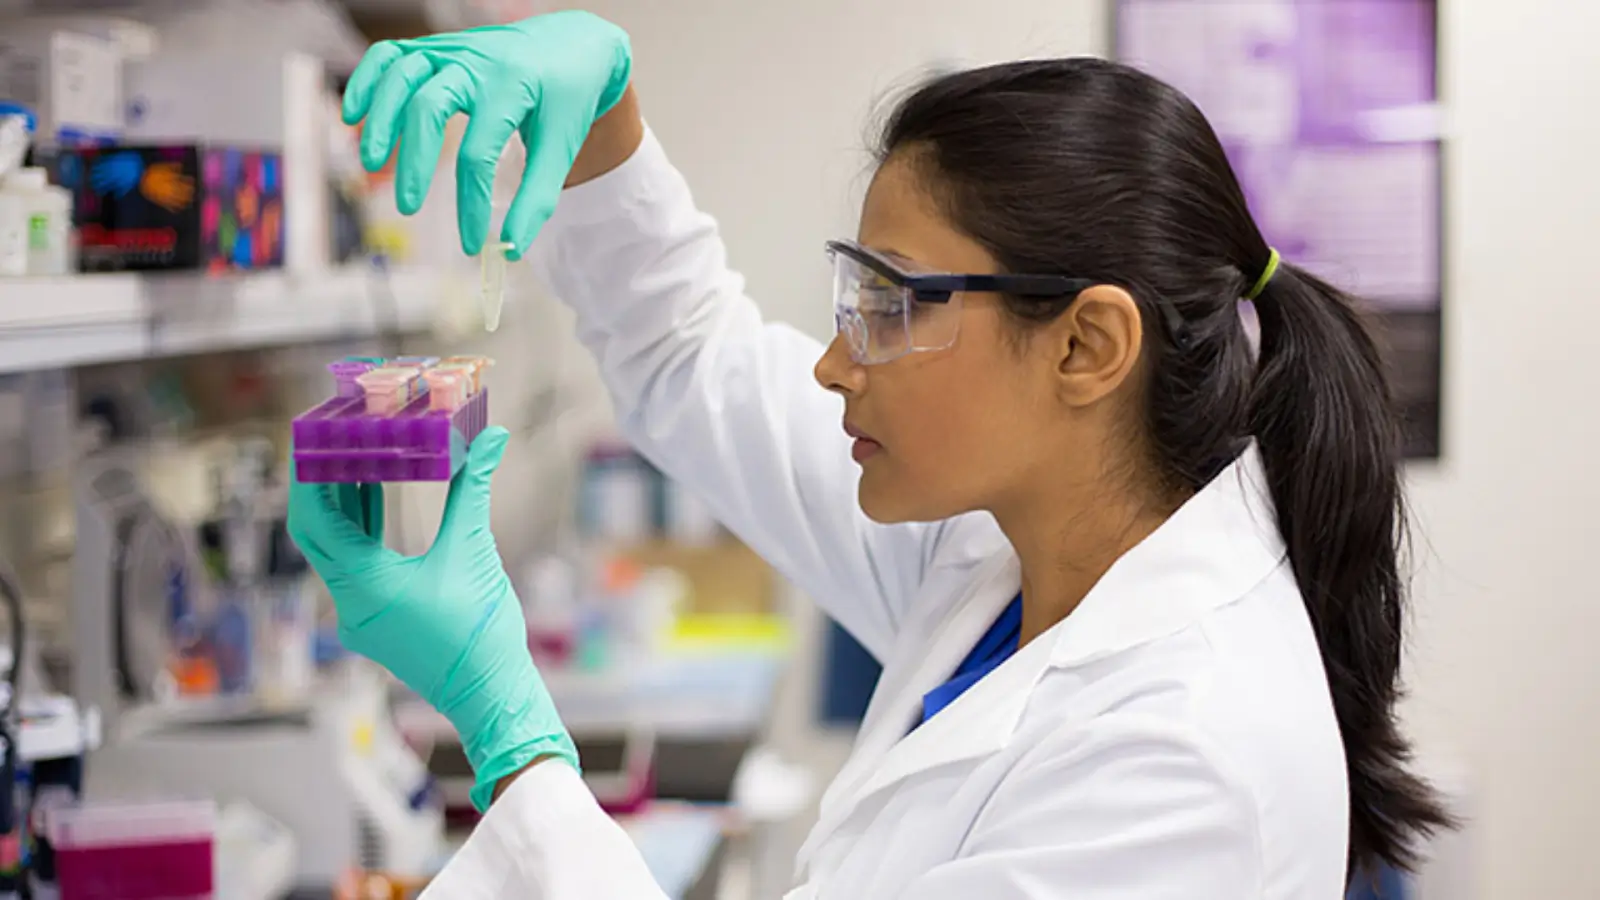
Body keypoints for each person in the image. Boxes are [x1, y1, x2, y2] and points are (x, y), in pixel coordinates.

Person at [288, 11, 1452, 899]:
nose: (836, 365)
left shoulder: (1182, 755)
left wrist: (511, 735)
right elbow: (689, 354)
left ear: (1088, 344)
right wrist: (606, 116)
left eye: (889, 305)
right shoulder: (1015, 560)